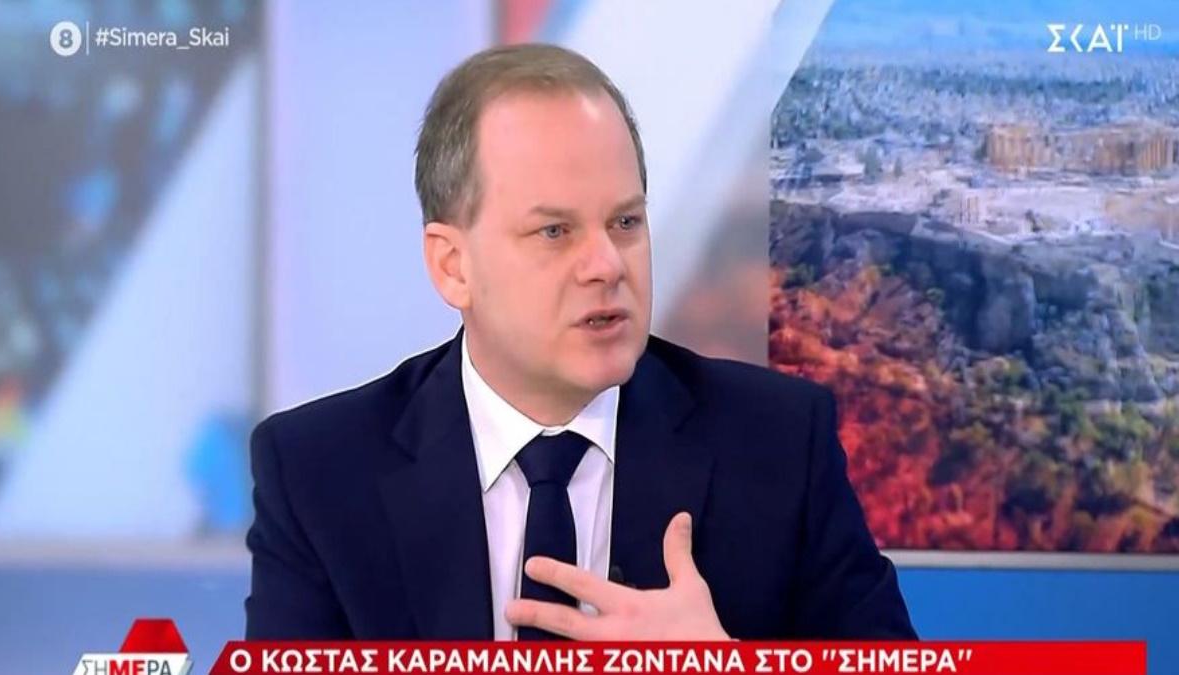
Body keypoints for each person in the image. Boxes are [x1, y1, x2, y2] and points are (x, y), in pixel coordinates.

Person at [245, 43, 915, 641]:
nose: (607, 265)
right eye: (554, 231)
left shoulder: (778, 444)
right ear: (453, 266)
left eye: (625, 222)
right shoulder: (320, 473)